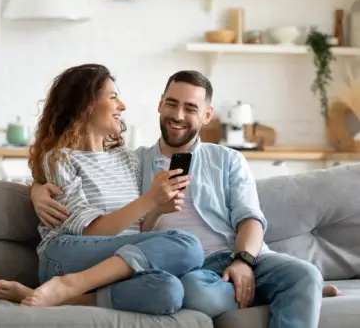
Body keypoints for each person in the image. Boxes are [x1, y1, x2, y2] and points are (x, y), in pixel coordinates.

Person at [30, 70, 340, 327]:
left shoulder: (227, 159)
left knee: (306, 273)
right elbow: (77, 176)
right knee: (192, 293)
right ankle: (288, 292)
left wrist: (243, 261)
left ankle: (296, 287)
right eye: (172, 104)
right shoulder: (137, 162)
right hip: (194, 271)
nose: (178, 116)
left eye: (190, 109)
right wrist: (35, 190)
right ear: (160, 105)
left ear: (206, 115)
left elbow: (251, 219)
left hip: (242, 257)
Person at [0, 64, 206, 315]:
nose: (122, 106)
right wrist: (148, 200)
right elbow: (91, 231)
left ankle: (62, 295)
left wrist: (157, 209)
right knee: (189, 245)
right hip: (67, 256)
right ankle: (69, 283)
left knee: (169, 292)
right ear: (86, 105)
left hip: (113, 265)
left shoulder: (129, 160)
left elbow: (136, 232)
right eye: (113, 97)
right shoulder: (61, 159)